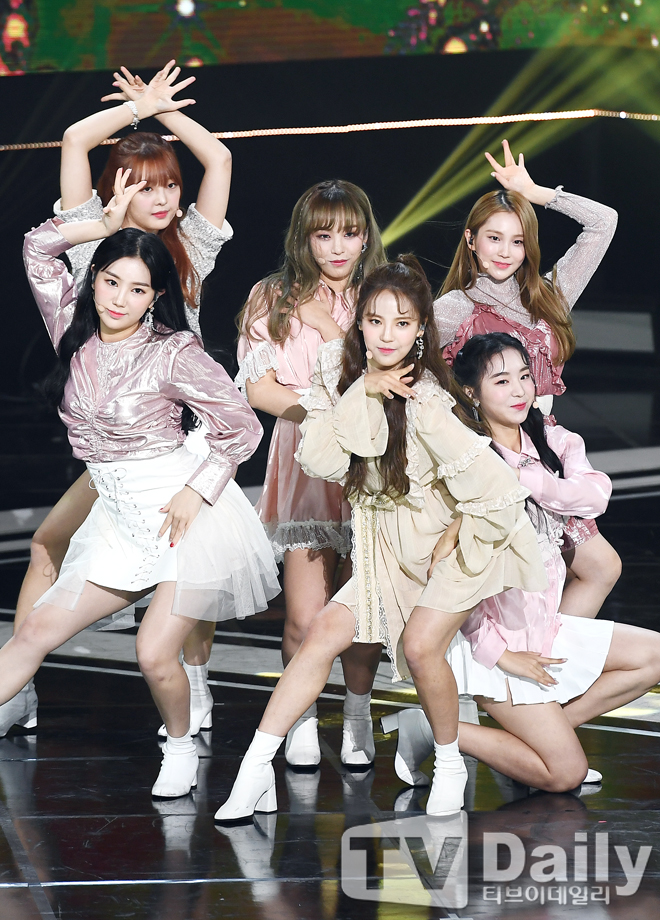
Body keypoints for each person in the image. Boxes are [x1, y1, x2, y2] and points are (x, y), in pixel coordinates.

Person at [215, 256, 546, 822]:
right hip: (382, 549)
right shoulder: (335, 368)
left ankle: (450, 763)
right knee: (321, 635)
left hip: (445, 551)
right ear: (360, 323)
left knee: (421, 649)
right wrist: (363, 391)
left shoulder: (428, 398)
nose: (386, 335)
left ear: (420, 330)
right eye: (374, 321)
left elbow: (496, 488)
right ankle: (254, 771)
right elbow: (320, 459)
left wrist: (455, 536)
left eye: (401, 322)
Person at [0, 169, 279, 799]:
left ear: (155, 297)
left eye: (137, 289)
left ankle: (180, 746)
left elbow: (241, 427)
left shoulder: (174, 351)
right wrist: (99, 225)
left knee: (154, 654)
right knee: (35, 631)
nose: (119, 299)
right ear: (94, 280)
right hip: (119, 521)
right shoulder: (71, 328)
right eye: (109, 281)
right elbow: (36, 247)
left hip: (185, 517)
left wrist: (197, 490)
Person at [8, 60, 233, 739]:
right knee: (46, 545)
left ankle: (194, 685)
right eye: (143, 184)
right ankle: (19, 686)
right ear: (115, 190)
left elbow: (219, 158)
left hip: (178, 443)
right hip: (112, 446)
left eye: (170, 184)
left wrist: (164, 112)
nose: (162, 198)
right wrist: (137, 110)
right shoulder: (90, 253)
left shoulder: (189, 250)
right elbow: (76, 140)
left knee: (187, 569)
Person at [384, 333, 660, 795]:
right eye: (501, 381)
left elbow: (594, 495)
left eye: (525, 377)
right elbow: (454, 581)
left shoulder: (550, 438)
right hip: (497, 649)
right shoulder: (466, 463)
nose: (519, 390)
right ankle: (432, 729)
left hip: (546, 627)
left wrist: (521, 478)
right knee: (565, 775)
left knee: (654, 657)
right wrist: (502, 654)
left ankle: (541, 737)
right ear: (471, 393)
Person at [435, 140, 621, 620]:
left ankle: (547, 654)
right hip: (491, 455)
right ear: (471, 240)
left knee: (601, 568)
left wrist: (536, 193)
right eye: (493, 238)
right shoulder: (453, 307)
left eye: (517, 241)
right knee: (507, 589)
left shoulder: (550, 295)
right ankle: (501, 661)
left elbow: (604, 222)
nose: (505, 252)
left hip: (545, 447)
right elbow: (411, 368)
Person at [235, 180, 386, 769]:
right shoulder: (272, 296)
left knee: (364, 610)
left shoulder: (384, 293)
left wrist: (331, 328)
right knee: (304, 615)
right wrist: (325, 417)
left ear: (366, 235)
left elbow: (393, 374)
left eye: (350, 233)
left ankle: (357, 712)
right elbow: (259, 389)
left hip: (375, 461)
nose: (338, 247)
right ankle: (299, 715)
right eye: (324, 235)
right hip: (306, 459)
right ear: (304, 238)